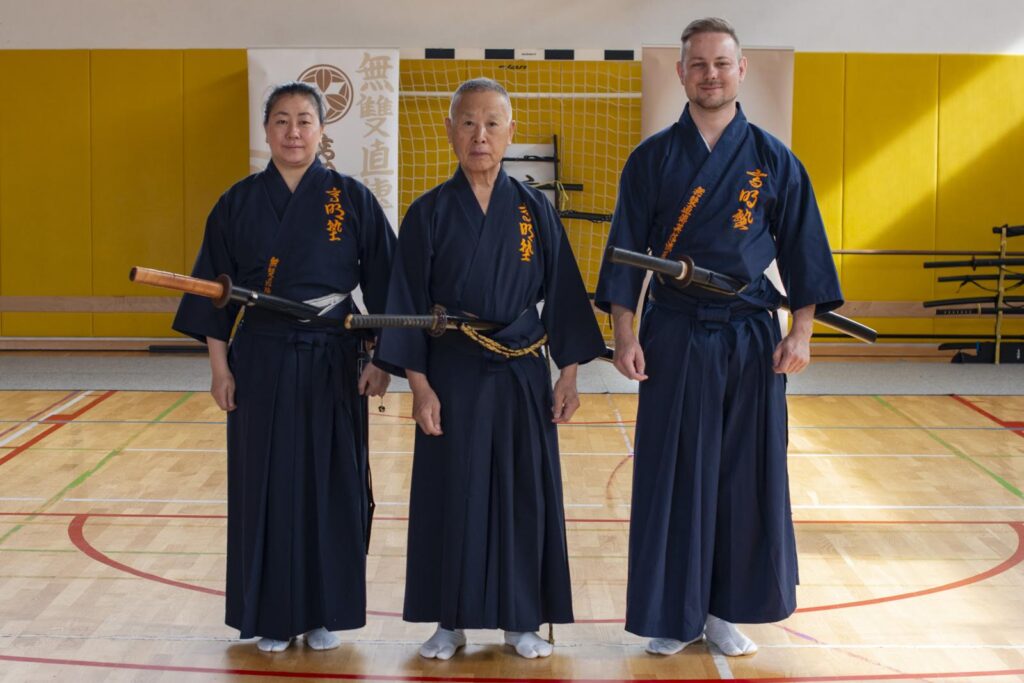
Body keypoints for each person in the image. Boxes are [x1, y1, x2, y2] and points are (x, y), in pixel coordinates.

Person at [595, 18, 843, 657]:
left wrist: (803, 331)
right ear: (681, 73)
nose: (710, 73)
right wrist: (625, 333)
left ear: (741, 71)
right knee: (674, 472)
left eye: (722, 63)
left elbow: (804, 250)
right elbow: (625, 253)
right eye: (698, 63)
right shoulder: (651, 159)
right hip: (675, 331)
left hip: (748, 335)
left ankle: (725, 610)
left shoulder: (771, 158)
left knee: (742, 474)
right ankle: (672, 614)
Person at [375, 78, 605, 660]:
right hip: (451, 371)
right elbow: (405, 303)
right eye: (469, 123)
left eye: (492, 124)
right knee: (452, 492)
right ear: (451, 131)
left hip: (523, 370)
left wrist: (569, 372)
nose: (480, 135)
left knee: (523, 493)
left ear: (509, 133)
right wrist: (420, 387)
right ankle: (448, 622)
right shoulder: (427, 212)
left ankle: (521, 620)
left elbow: (564, 295)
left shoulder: (533, 209)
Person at [172, 81, 396, 653]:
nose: (293, 132)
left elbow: (390, 286)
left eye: (303, 121)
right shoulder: (238, 202)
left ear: (322, 131)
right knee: (263, 484)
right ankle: (271, 613)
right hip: (262, 361)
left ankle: (323, 611)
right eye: (280, 121)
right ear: (266, 130)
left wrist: (382, 359)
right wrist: (219, 369)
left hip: (334, 359)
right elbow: (210, 294)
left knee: (331, 485)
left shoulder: (350, 199)